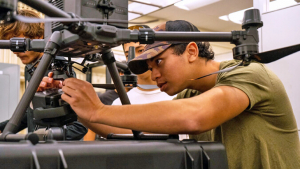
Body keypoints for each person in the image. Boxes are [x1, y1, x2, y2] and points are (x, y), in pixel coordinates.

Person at [43, 20, 300, 168]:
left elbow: (195, 117)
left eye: (159, 62)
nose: (154, 74)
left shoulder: (250, 73)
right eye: (150, 67)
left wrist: (98, 109)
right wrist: (78, 101)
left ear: (190, 51)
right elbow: (133, 129)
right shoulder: (190, 93)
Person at [0, 9, 87, 140]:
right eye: (12, 45)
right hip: (36, 149)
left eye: (19, 43)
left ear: (39, 36)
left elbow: (79, 126)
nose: (15, 51)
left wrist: (43, 138)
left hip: (56, 153)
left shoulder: (58, 68)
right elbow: (31, 113)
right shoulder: (30, 67)